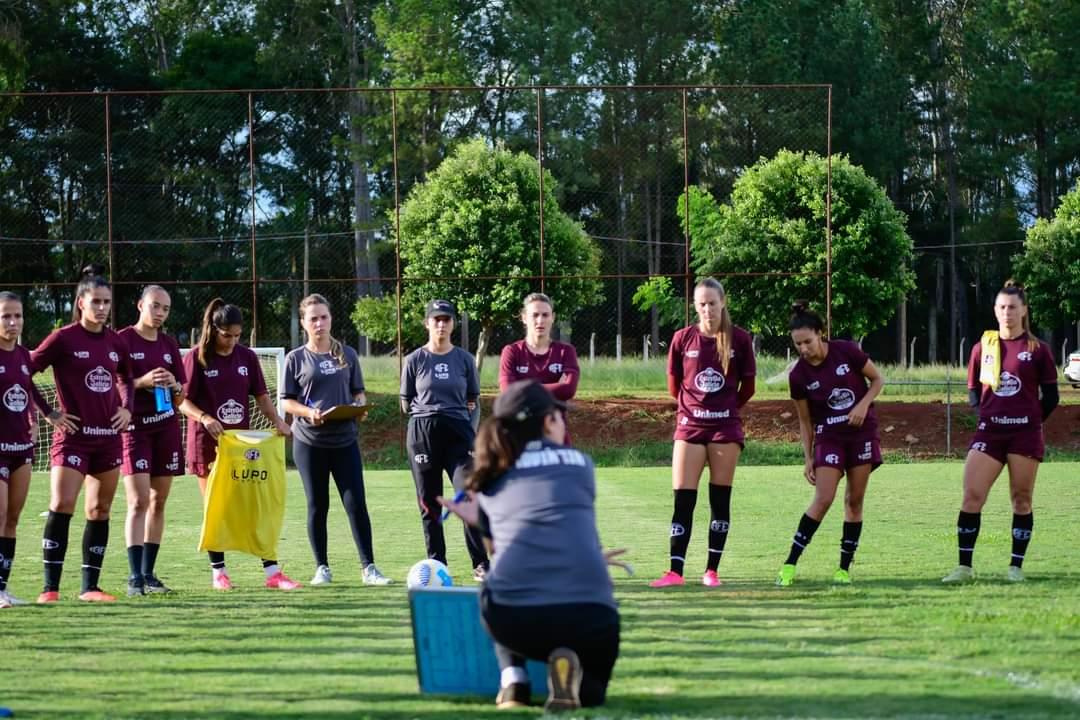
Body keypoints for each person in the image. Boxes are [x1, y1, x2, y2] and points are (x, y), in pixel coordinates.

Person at [439, 380, 621, 712]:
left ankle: (514, 682)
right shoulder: (581, 465)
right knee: (594, 693)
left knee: (493, 584)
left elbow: (503, 552)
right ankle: (579, 683)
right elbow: (569, 523)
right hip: (591, 616)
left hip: (517, 620)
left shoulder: (489, 477)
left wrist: (479, 520)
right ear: (549, 421)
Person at [942, 281, 1059, 584]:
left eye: (1013, 308)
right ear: (995, 311)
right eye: (1002, 307)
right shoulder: (984, 347)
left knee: (1021, 499)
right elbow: (972, 394)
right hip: (989, 435)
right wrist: (989, 419)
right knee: (972, 496)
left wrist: (1030, 421)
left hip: (1024, 436)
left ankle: (1015, 567)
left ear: (1023, 311)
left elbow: (1052, 397)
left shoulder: (1038, 350)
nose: (1007, 313)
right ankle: (964, 567)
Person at [178, 298, 297, 591]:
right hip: (207, 444)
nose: (232, 341)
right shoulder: (197, 358)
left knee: (254, 505)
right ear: (213, 330)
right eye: (226, 335)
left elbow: (261, 397)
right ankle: (218, 572)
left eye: (237, 335)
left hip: (241, 446)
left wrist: (277, 422)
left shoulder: (246, 358)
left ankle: (272, 573)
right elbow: (180, 400)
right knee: (216, 508)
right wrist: (205, 417)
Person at [31, 266, 133, 603]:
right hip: (73, 437)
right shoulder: (63, 338)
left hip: (107, 438)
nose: (102, 308)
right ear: (80, 303)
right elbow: (23, 370)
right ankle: (50, 588)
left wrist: (127, 408)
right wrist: (49, 413)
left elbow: (127, 379)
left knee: (100, 511)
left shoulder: (115, 341)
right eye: (96, 302)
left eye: (107, 302)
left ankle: (90, 588)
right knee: (62, 504)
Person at [650, 278, 756, 588]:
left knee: (719, 501)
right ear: (695, 307)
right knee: (683, 501)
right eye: (701, 304)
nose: (707, 309)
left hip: (725, 428)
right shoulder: (682, 339)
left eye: (712, 302)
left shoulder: (740, 339)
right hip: (690, 427)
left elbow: (748, 388)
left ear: (723, 303)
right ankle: (675, 572)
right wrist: (694, 410)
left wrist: (726, 409)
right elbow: (674, 385)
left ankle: (711, 571)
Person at [280, 294, 390, 587]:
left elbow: (358, 392)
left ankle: (369, 568)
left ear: (331, 319)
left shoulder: (348, 354)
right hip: (309, 443)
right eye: (313, 318)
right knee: (318, 505)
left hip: (345, 440)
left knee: (356, 504)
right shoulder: (295, 359)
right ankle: (322, 568)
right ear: (303, 323)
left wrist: (360, 407)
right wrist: (309, 412)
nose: (319, 323)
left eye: (324, 317)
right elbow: (287, 402)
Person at [777, 301, 884, 587]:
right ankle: (789, 565)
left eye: (807, 342)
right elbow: (804, 420)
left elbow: (877, 380)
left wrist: (862, 405)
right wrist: (807, 458)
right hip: (828, 438)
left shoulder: (846, 351)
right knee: (823, 498)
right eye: (798, 344)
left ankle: (844, 569)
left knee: (854, 501)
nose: (803, 349)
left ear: (821, 334)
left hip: (861, 435)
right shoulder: (798, 375)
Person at [400, 299, 489, 581]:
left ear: (453, 324)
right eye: (436, 319)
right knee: (429, 501)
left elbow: (473, 400)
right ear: (427, 323)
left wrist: (467, 429)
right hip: (423, 434)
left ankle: (481, 563)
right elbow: (405, 403)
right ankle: (437, 564)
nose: (441, 324)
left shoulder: (464, 360)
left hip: (459, 435)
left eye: (446, 319)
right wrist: (428, 412)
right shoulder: (414, 360)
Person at [118, 286, 185, 596]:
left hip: (166, 428)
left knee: (158, 502)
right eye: (155, 306)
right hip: (135, 430)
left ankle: (148, 574)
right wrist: (141, 382)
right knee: (138, 502)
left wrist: (173, 385)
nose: (160, 313)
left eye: (166, 309)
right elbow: (108, 385)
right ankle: (133, 578)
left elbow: (182, 394)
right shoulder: (122, 341)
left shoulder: (170, 345)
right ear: (140, 305)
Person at [0, 291, 55, 607]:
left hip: (21, 448)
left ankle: (2, 588)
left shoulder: (22, 355)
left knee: (12, 519)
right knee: (0, 514)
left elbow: (29, 388)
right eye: (6, 316)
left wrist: (44, 415)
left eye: (17, 316)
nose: (12, 322)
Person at [498, 292, 580, 438]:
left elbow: (568, 389)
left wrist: (522, 388)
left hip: (555, 431)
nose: (540, 320)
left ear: (553, 318)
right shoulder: (511, 352)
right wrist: (555, 387)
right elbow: (508, 392)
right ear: (524, 317)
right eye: (534, 315)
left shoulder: (566, 352)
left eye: (545, 315)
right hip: (521, 432)